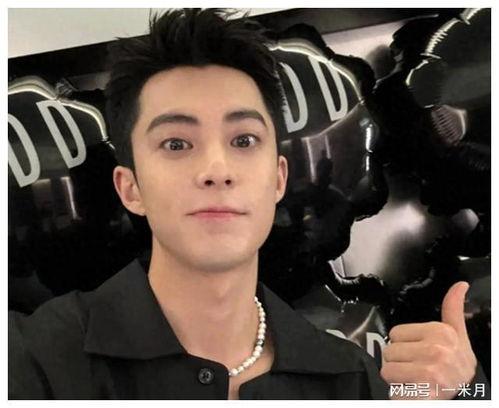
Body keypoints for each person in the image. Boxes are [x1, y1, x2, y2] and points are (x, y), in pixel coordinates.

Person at [9, 8, 487, 400]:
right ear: (130, 188)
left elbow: (435, 392)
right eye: (176, 143)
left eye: (243, 140)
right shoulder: (31, 362)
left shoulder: (352, 379)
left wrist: (463, 392)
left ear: (278, 178)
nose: (217, 169)